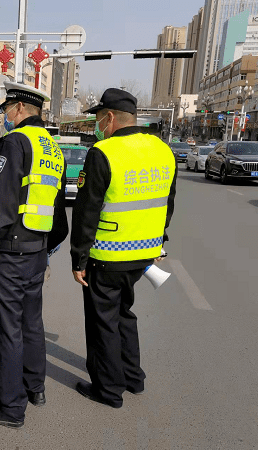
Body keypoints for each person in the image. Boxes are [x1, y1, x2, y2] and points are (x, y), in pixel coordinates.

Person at [70, 88, 177, 409]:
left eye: (100, 119)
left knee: (103, 322)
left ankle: (108, 389)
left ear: (111, 117)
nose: (98, 125)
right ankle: (133, 377)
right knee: (124, 315)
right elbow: (167, 204)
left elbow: (87, 213)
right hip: (144, 253)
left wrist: (79, 259)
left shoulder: (104, 153)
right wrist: (158, 242)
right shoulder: (163, 150)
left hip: (107, 256)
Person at [0, 82, 69, 428]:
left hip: (11, 252)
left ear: (19, 109)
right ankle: (35, 387)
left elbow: (4, 200)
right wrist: (47, 244)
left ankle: (11, 408)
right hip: (37, 250)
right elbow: (58, 207)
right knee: (32, 322)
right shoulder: (53, 148)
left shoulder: (15, 143)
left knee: (7, 330)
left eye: (7, 109)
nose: (6, 115)